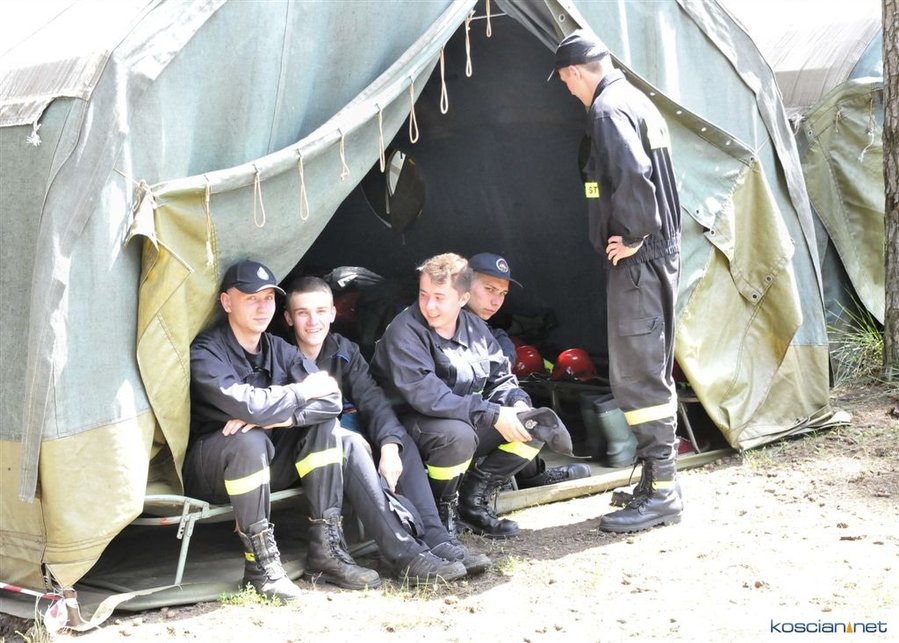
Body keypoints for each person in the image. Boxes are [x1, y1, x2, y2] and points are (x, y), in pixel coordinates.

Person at [183, 260, 465, 601]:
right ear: (227, 302)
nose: (262, 307)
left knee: (334, 433)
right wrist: (300, 393)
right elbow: (252, 407)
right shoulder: (206, 351)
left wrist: (282, 419)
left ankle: (354, 553)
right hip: (214, 471)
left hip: (270, 462)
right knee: (249, 439)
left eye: (268, 298)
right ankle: (261, 567)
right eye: (251, 299)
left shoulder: (277, 348)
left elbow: (332, 401)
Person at [550, 29, 683, 533]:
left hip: (639, 261)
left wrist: (632, 235)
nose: (569, 90)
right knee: (649, 365)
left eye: (566, 81)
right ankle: (656, 479)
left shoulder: (608, 110)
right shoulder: (636, 100)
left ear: (573, 72)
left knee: (638, 373)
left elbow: (633, 174)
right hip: (657, 255)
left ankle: (663, 493)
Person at [282, 275, 491, 574]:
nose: (313, 321)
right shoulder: (279, 353)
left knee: (397, 441)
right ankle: (405, 554)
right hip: (305, 454)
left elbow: (373, 400)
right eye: (303, 313)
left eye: (320, 311)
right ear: (289, 318)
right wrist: (342, 431)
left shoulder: (344, 350)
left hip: (343, 442)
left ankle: (436, 539)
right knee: (351, 444)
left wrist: (390, 444)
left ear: (333, 313)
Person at [371, 253, 547, 539]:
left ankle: (472, 501)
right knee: (458, 436)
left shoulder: (476, 328)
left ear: (463, 299)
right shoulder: (405, 330)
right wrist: (493, 414)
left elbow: (500, 378)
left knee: (535, 423)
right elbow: (429, 397)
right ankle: (442, 510)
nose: (429, 305)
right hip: (408, 424)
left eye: (439, 298)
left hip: (462, 416)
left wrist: (516, 402)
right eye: (424, 295)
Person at [466, 252, 592, 489]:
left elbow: (501, 378)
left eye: (502, 293)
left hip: (476, 418)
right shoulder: (440, 326)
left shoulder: (492, 335)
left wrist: (518, 403)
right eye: (489, 289)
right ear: (463, 283)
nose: (496, 301)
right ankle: (482, 481)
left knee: (527, 412)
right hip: (447, 425)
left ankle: (529, 476)